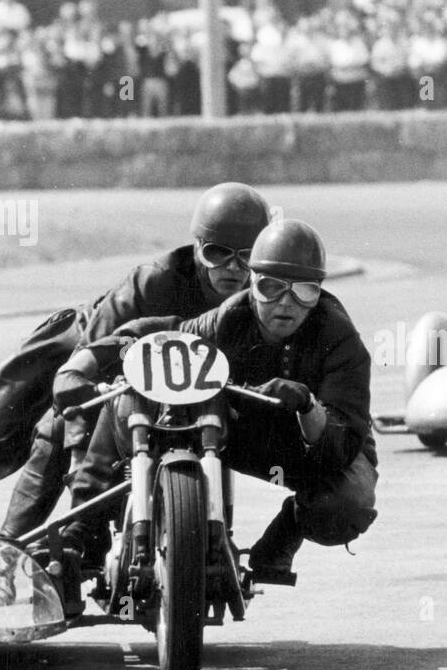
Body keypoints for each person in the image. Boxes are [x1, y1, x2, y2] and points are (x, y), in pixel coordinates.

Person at [0, 183, 273, 590]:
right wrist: (77, 456)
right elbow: (89, 368)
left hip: (165, 391)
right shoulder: (153, 284)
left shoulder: (269, 296)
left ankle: (101, 544)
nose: (233, 269)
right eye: (218, 254)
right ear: (198, 248)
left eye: (247, 257)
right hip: (82, 351)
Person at [53, 219, 376, 597]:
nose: (286, 303)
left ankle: (286, 532)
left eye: (304, 291)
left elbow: (343, 446)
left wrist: (307, 406)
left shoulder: (341, 340)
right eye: (272, 287)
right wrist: (81, 365)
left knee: (347, 503)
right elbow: (157, 333)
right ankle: (78, 535)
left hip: (310, 451)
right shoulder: (229, 318)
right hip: (233, 432)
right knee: (131, 392)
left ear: (319, 292)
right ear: (253, 284)